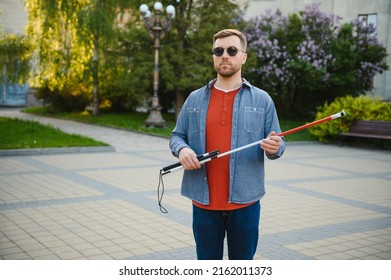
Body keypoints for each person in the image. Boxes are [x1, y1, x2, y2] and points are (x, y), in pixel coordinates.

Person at [169, 29, 285, 260]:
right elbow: (176, 136)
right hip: (203, 204)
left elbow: (279, 144)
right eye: (218, 51)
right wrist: (183, 149)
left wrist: (276, 147)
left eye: (232, 50)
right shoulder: (194, 98)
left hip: (245, 203)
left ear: (243, 57)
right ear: (213, 56)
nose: (225, 55)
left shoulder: (262, 99)